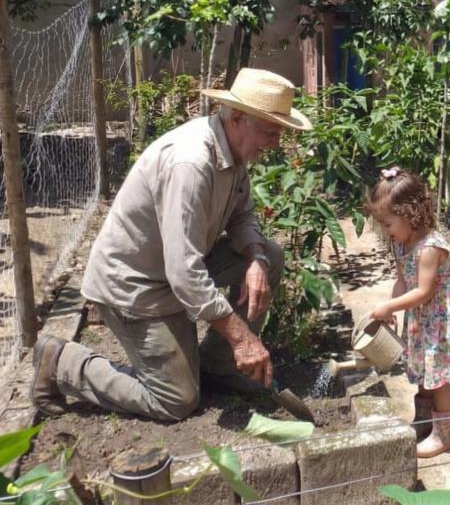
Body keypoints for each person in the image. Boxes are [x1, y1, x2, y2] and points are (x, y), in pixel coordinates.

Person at [30, 68, 311, 422]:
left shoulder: (233, 153)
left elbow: (242, 218)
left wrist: (255, 259)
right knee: (175, 400)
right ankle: (62, 362)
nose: (274, 143)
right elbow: (183, 272)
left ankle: (219, 367)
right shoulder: (190, 163)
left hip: (174, 273)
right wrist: (243, 338)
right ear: (238, 118)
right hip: (135, 286)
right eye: (270, 132)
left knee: (269, 255)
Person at [367, 167, 450, 458]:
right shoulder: (402, 243)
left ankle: (444, 435)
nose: (385, 231)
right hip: (424, 316)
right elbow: (403, 281)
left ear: (410, 213)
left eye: (387, 224)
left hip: (442, 315)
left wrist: (390, 306)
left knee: (438, 374)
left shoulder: (429, 249)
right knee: (425, 367)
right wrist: (391, 305)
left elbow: (423, 291)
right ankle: (425, 420)